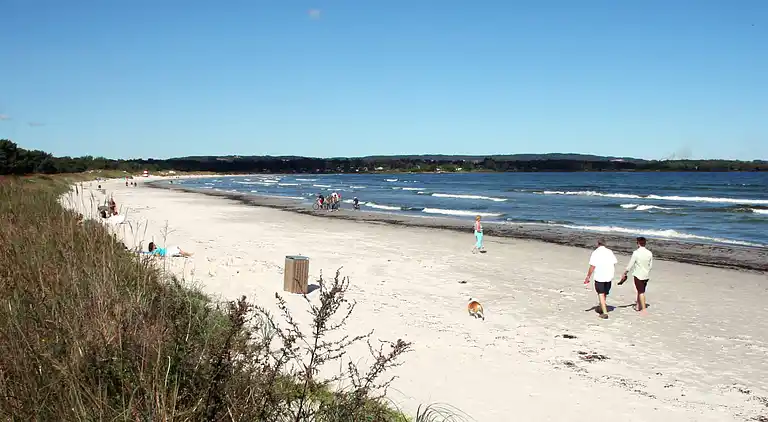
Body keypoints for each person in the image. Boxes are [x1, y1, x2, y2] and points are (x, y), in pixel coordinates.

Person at [584, 239, 618, 319]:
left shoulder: (596, 252)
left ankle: (605, 313)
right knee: (604, 293)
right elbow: (614, 263)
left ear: (598, 244)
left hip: (600, 276)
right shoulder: (609, 252)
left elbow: (592, 266)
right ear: (605, 244)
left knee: (601, 293)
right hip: (609, 276)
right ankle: (602, 307)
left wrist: (588, 276)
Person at [620, 236, 653, 314]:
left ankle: (643, 309)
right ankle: (638, 305)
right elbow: (650, 266)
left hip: (638, 275)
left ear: (638, 243)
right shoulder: (649, 253)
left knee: (641, 292)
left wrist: (625, 272)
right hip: (646, 275)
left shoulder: (636, 252)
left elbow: (631, 264)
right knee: (640, 290)